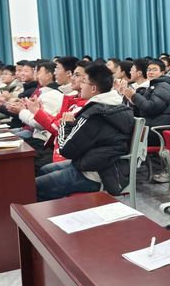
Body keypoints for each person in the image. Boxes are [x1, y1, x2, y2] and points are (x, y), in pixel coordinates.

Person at [35, 65, 134, 201]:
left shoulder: (94, 114)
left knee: (34, 186)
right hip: (102, 165)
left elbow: (66, 150)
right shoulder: (117, 106)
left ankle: (57, 211)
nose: (80, 85)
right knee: (44, 170)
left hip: (94, 174)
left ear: (93, 88)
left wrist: (65, 124)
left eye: (83, 81)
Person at [123, 59, 170, 147]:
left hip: (156, 131)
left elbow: (151, 108)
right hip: (148, 126)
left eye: (154, 70)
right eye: (149, 70)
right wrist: (131, 99)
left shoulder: (164, 87)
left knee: (119, 136)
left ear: (162, 72)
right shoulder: (154, 86)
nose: (151, 72)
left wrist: (134, 96)